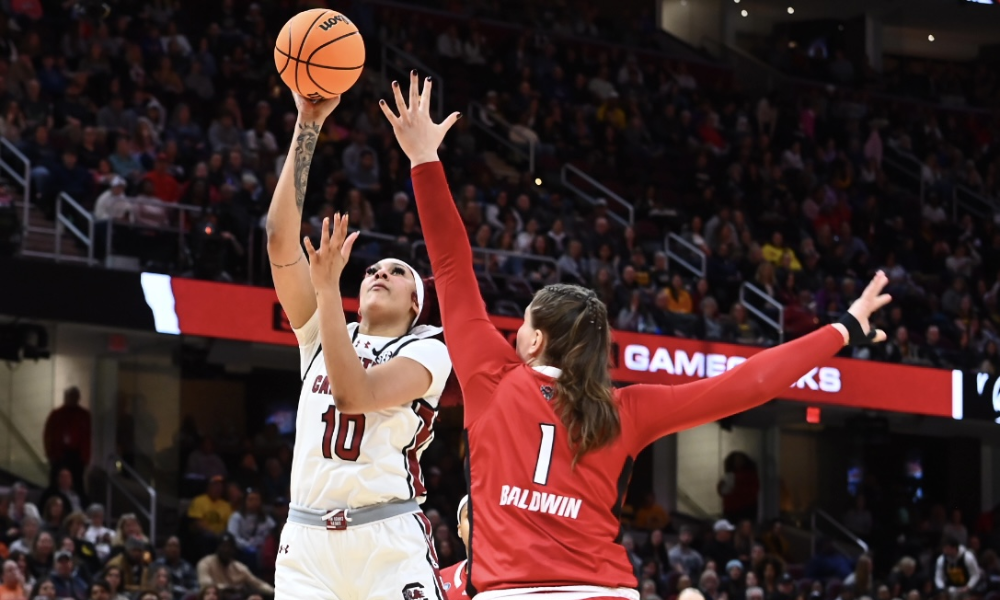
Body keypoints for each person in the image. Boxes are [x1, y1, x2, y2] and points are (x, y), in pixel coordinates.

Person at [380, 72, 892, 599]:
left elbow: (452, 263)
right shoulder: (626, 409)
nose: (516, 332)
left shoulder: (491, 376)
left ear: (535, 341)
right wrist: (842, 327)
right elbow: (750, 383)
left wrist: (423, 159)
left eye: (524, 323)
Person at [265, 90, 454, 600]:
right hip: (307, 544)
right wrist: (307, 127)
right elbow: (280, 241)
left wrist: (328, 291)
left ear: (416, 304)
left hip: (386, 538)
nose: (378, 274)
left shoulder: (430, 349)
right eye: (372, 270)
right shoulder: (324, 334)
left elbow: (355, 395)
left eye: (396, 273)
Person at [42, 388, 91, 489]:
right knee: (56, 483)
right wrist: (50, 454)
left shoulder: (83, 415)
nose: (72, 399)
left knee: (77, 483)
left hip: (76, 456)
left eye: (74, 397)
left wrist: (85, 458)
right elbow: (48, 435)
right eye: (70, 396)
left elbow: (87, 437)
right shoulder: (56, 415)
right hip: (59, 455)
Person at [196, 534, 273, 597]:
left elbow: (258, 584)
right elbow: (206, 585)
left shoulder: (240, 568)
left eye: (229, 547)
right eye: (223, 546)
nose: (226, 550)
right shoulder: (205, 563)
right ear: (217, 548)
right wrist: (229, 588)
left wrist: (275, 592)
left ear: (234, 550)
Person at [440, 496, 470, 600]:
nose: (477, 522)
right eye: (470, 516)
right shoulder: (440, 579)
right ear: (459, 530)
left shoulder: (516, 576)